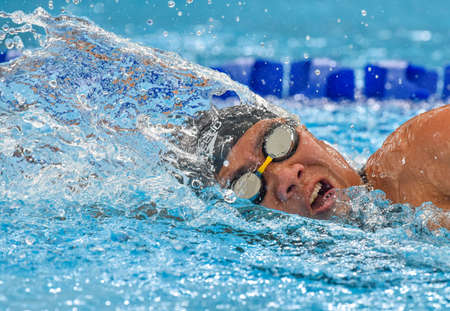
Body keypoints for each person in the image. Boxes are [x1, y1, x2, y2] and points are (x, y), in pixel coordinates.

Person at [169, 102, 450, 228]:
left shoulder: (422, 155)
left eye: (277, 143)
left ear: (301, 128)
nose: (286, 177)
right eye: (249, 184)